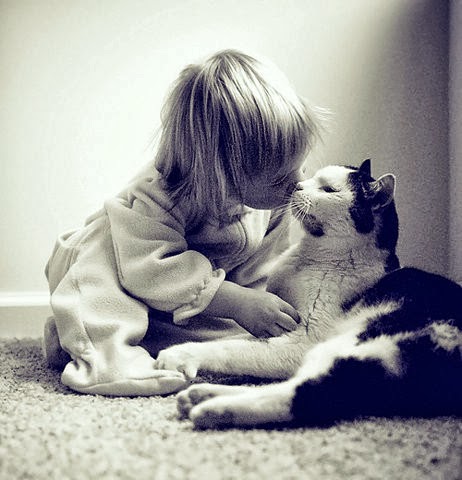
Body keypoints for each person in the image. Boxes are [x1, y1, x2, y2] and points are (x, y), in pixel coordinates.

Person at [43, 49, 319, 396]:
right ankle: (102, 357)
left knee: (222, 328)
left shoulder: (272, 202)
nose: (299, 184)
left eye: (301, 167)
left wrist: (260, 308)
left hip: (171, 292)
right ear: (222, 173)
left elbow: (262, 271)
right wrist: (234, 300)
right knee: (101, 265)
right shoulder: (158, 195)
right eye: (281, 179)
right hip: (120, 264)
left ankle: (66, 336)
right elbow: (149, 271)